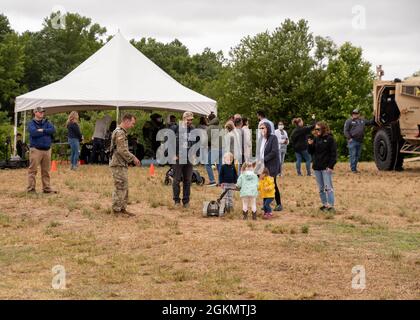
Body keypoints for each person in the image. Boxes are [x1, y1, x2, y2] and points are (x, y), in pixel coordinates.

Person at [109, 114, 141, 216]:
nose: (133, 126)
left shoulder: (121, 132)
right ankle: (116, 210)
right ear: (126, 121)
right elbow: (121, 150)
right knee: (120, 186)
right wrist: (133, 158)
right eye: (132, 123)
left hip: (121, 163)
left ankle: (122, 208)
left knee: (124, 186)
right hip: (117, 163)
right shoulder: (119, 133)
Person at [308, 121, 337, 212]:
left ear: (323, 128)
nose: (316, 131)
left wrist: (330, 166)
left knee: (328, 188)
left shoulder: (330, 139)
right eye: (315, 129)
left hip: (326, 167)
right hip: (317, 167)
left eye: (318, 129)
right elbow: (311, 152)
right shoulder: (316, 138)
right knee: (321, 189)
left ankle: (331, 206)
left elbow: (334, 154)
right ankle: (325, 204)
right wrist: (310, 145)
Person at [27, 107, 57, 194]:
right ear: (35, 113)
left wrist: (42, 130)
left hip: (47, 149)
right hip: (36, 149)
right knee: (33, 170)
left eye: (43, 112)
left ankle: (47, 189)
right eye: (40, 112)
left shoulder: (47, 122)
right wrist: (45, 132)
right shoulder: (31, 123)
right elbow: (33, 133)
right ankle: (31, 189)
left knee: (46, 171)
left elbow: (53, 130)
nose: (42, 113)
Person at [171, 112, 195, 208]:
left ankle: (186, 201)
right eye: (188, 119)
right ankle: (176, 200)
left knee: (188, 180)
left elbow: (195, 143)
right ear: (183, 119)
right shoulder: (175, 128)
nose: (190, 121)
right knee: (176, 180)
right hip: (178, 158)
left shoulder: (192, 129)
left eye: (191, 120)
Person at [259, 122, 283, 211]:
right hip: (264, 166)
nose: (262, 130)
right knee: (264, 183)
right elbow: (261, 152)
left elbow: (274, 152)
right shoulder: (262, 139)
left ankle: (279, 204)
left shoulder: (273, 138)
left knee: (273, 183)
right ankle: (265, 204)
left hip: (272, 165)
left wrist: (263, 159)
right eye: (260, 128)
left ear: (268, 128)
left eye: (263, 128)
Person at [343, 109, 375, 173]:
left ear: (359, 114)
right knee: (353, 155)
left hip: (360, 141)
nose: (355, 114)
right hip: (352, 141)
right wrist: (349, 138)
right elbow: (345, 131)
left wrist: (374, 116)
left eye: (356, 113)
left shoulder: (362, 120)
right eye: (354, 113)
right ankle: (353, 169)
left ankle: (354, 168)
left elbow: (370, 122)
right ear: (352, 114)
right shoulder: (349, 121)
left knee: (357, 155)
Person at [205, 112, 222, 186]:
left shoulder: (210, 127)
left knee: (208, 164)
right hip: (222, 148)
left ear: (209, 119)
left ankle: (212, 181)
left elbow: (207, 139)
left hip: (214, 148)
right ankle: (221, 181)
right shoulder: (220, 126)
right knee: (219, 165)